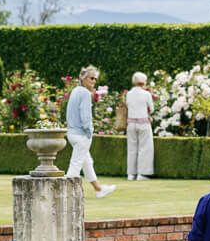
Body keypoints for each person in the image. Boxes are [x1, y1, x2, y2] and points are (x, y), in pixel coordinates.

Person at [65, 65, 115, 198]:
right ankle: (66, 194)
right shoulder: (85, 93)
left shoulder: (75, 90)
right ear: (84, 78)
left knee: (87, 162)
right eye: (91, 78)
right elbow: (85, 115)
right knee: (75, 165)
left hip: (72, 133)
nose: (94, 81)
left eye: (95, 79)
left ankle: (98, 189)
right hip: (82, 134)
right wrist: (89, 131)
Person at [125, 71, 155, 180]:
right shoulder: (146, 94)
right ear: (144, 82)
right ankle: (142, 174)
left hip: (131, 123)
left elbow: (128, 106)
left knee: (132, 149)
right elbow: (151, 109)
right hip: (143, 123)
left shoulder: (129, 94)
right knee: (145, 148)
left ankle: (131, 174)